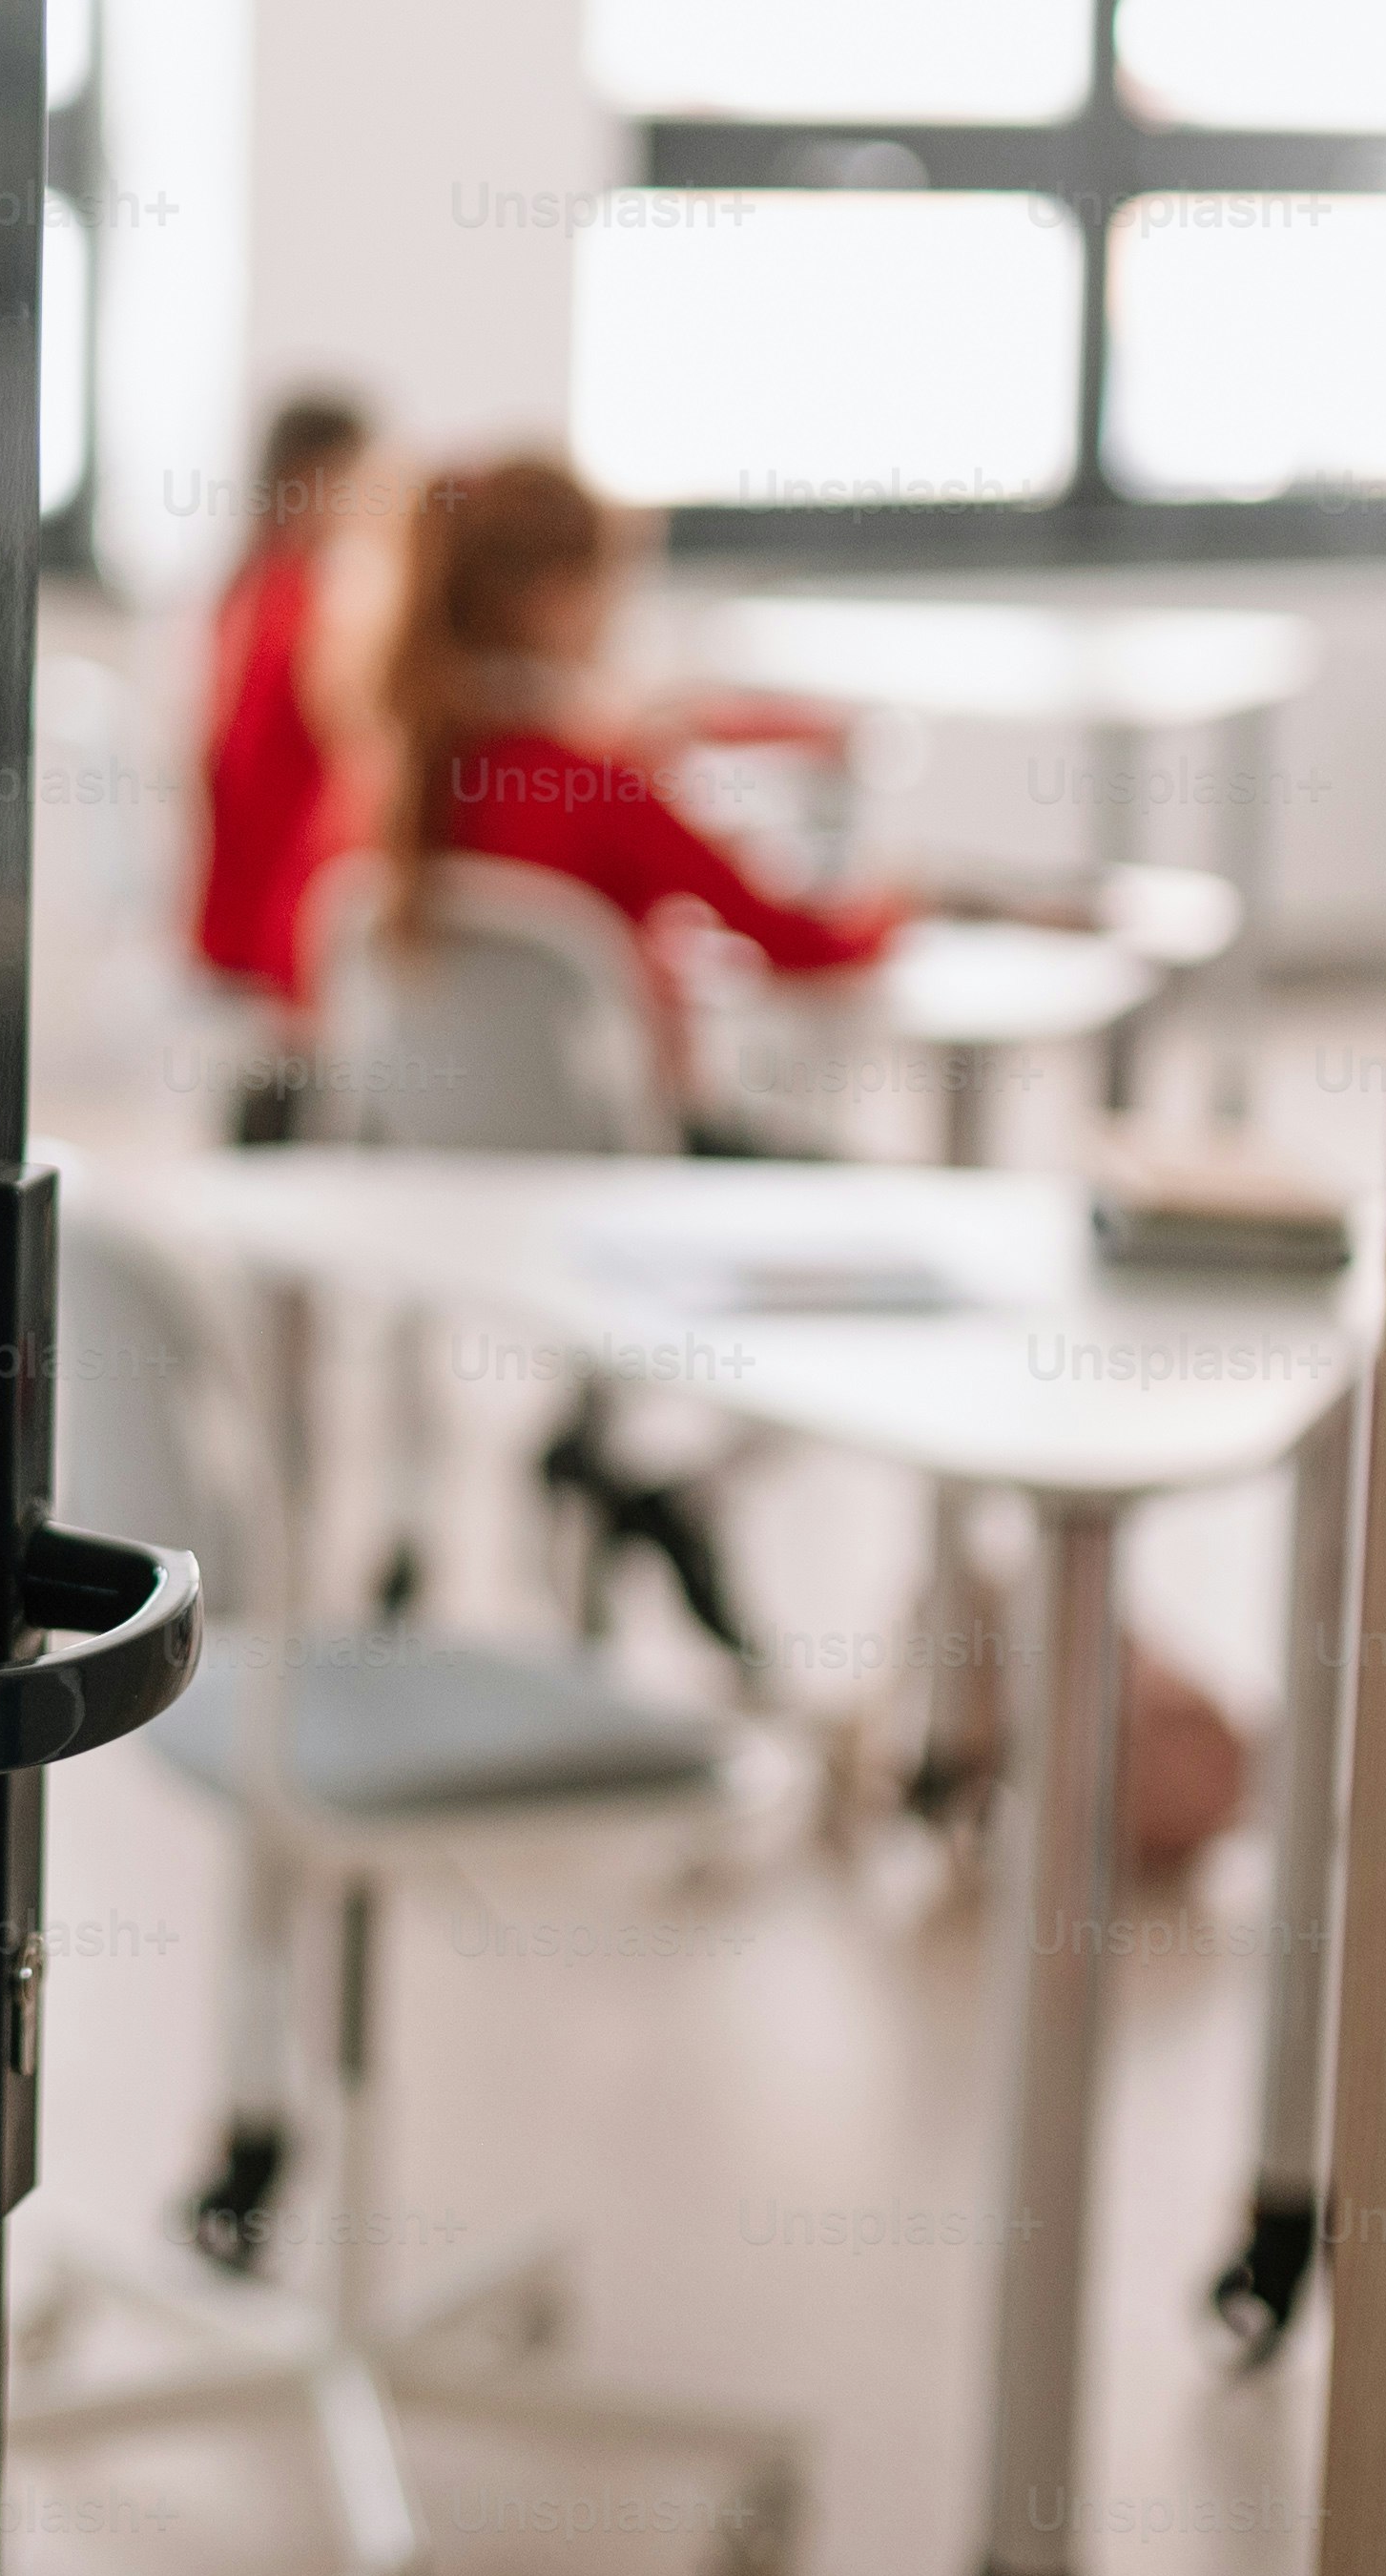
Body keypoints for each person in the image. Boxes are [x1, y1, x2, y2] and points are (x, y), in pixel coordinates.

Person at [368, 450, 912, 1669]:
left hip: (441, 1179)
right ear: (557, 594)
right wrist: (899, 902)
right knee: (891, 1231)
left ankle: (615, 1463)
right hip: (626, 1178)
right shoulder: (603, 782)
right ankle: (660, 1476)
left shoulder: (397, 778)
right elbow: (801, 943)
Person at [190, 387, 375, 1139]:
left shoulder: (249, 589)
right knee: (294, 1083)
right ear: (316, 479)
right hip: (284, 891)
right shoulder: (299, 604)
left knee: (277, 1073)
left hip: (258, 888)